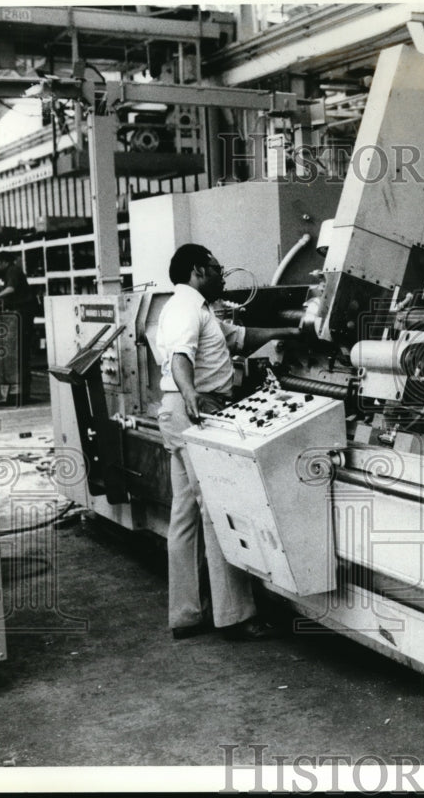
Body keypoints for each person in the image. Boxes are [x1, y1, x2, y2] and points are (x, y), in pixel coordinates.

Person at [155, 243, 295, 641]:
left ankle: (185, 614)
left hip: (178, 411)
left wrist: (295, 330)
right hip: (195, 410)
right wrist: (191, 395)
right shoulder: (186, 308)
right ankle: (234, 616)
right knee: (219, 509)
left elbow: (241, 338)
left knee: (184, 515)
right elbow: (181, 356)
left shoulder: (196, 310)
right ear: (199, 270)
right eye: (218, 270)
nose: (223, 277)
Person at [0, 251, 39, 403]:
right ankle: (22, 392)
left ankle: (21, 393)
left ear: (4, 262)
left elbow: (11, 289)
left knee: (20, 351)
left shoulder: (13, 271)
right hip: (24, 313)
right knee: (21, 352)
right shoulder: (12, 271)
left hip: (23, 314)